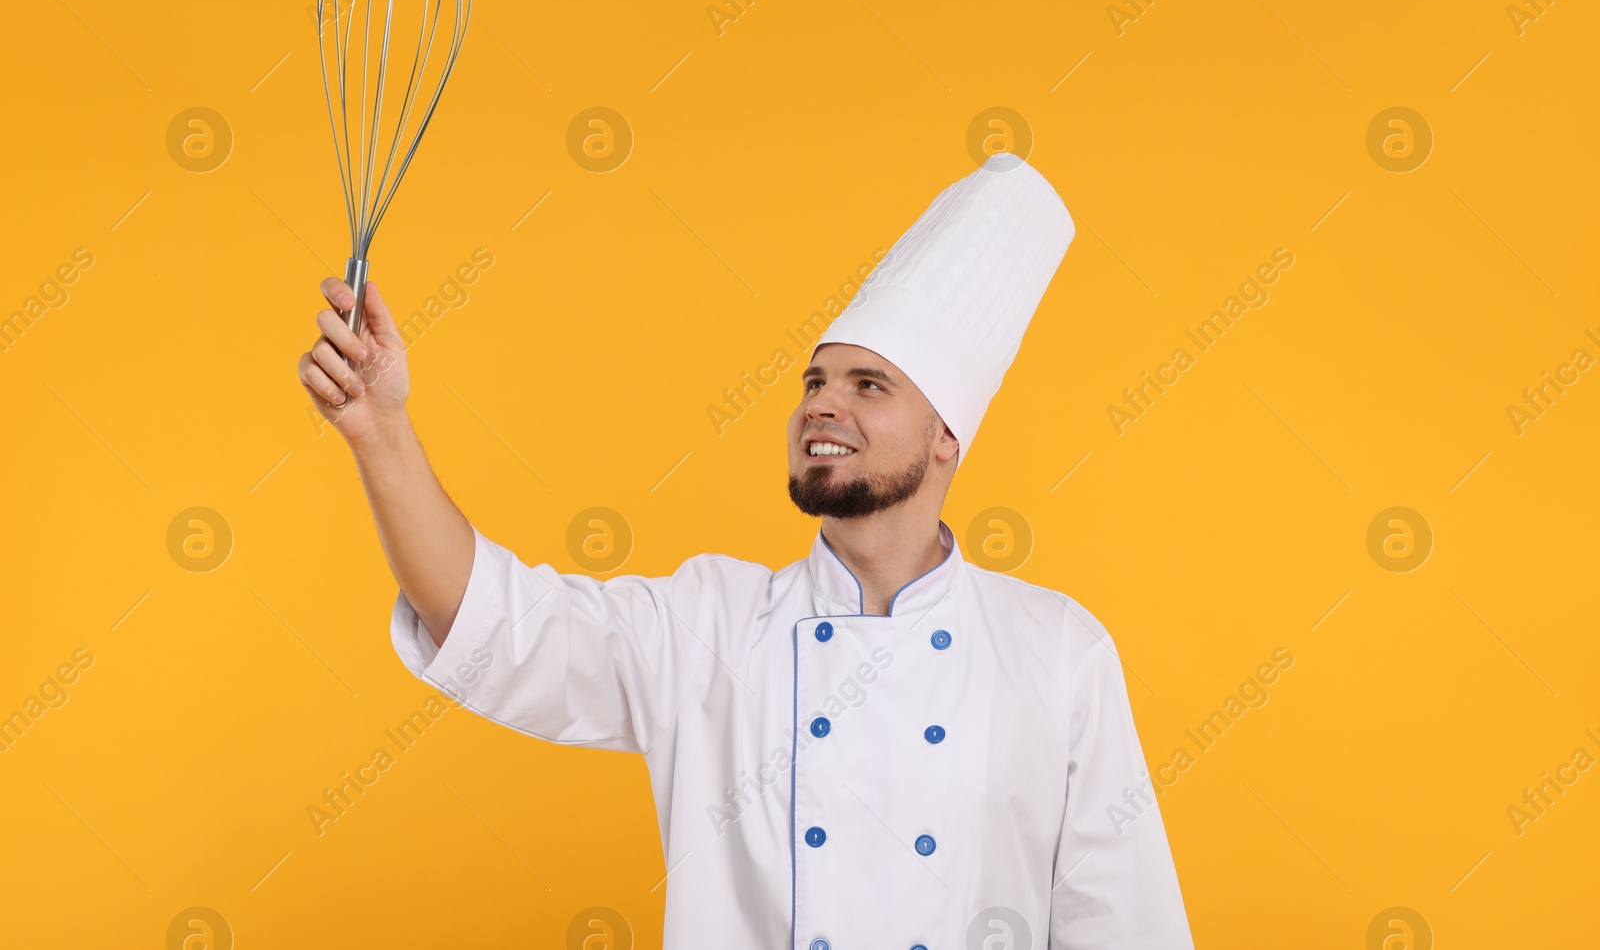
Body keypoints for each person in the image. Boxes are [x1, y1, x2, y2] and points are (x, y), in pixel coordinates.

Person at [297, 153, 1193, 949]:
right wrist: (382, 433)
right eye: (814, 382)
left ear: (946, 436)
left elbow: (1125, 926)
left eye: (867, 385)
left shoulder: (1057, 651)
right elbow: (488, 621)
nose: (820, 407)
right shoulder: (711, 626)